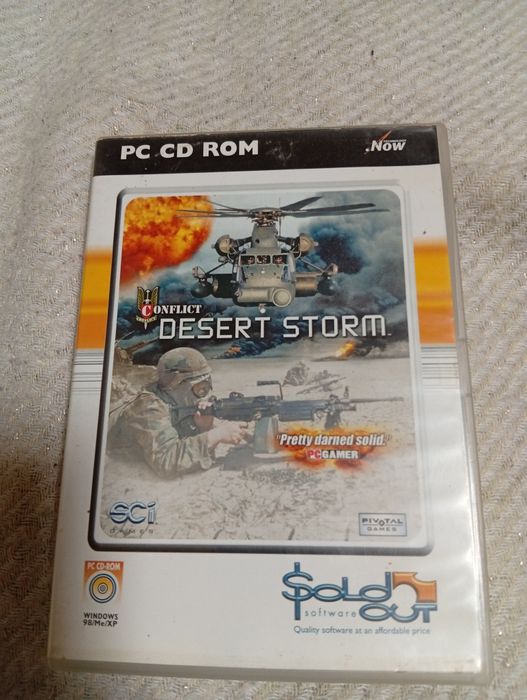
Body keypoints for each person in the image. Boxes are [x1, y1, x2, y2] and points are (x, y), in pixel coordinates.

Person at [108, 347, 247, 478]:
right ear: (176, 384)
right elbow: (165, 461)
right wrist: (216, 435)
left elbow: (179, 439)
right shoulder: (148, 408)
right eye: (199, 388)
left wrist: (202, 428)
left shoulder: (176, 400)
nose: (203, 395)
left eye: (206, 386)